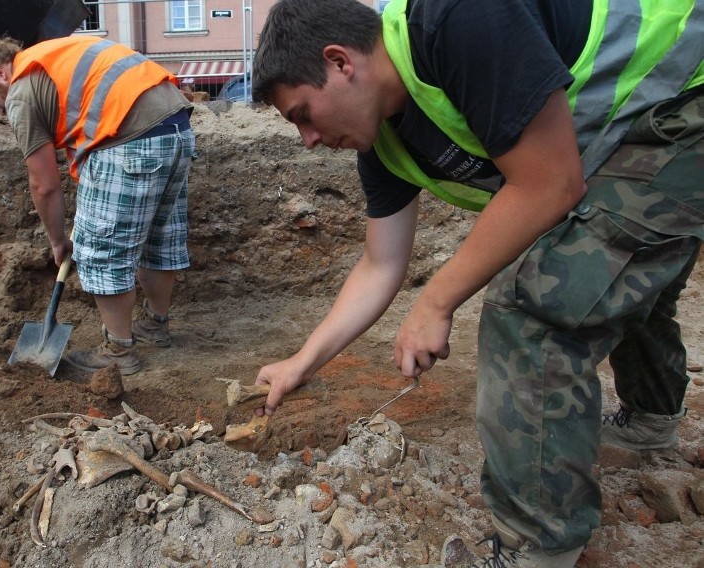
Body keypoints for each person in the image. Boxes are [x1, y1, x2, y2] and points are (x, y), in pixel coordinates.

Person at [250, 0, 703, 565]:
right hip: (626, 137)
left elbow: (550, 185)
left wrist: (435, 302)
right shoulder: (386, 144)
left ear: (340, 62)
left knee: (531, 303)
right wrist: (302, 361)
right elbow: (380, 265)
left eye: (303, 114)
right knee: (602, 267)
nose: (309, 139)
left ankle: (538, 547)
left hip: (686, 91)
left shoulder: (459, 18)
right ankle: (652, 420)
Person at [0, 36, 195, 375]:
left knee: (101, 251)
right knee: (159, 239)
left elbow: (44, 185)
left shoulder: (20, 91)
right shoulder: (53, 56)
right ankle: (154, 326)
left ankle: (119, 352)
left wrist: (58, 240)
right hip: (176, 129)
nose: (0, 112)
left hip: (129, 137)